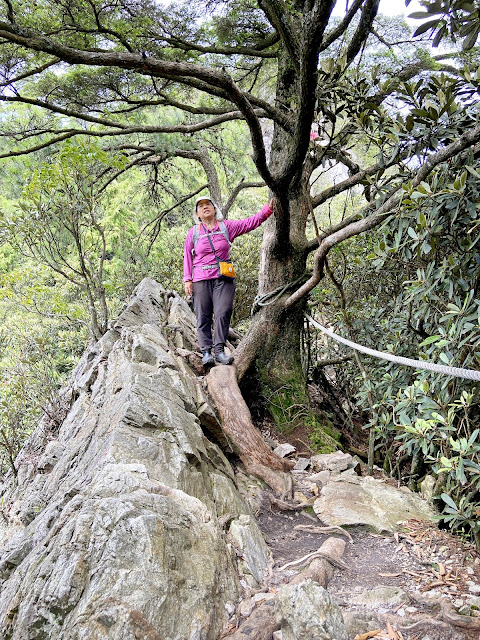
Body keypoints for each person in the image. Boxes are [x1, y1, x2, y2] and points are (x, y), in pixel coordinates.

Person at [183, 196, 274, 366]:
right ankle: (206, 353)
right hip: (201, 279)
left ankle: (219, 351)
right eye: (201, 206)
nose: (205, 207)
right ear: (197, 214)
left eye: (208, 204)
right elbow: (187, 255)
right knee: (203, 315)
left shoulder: (226, 227)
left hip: (223, 278)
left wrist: (267, 210)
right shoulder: (194, 232)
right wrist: (187, 280)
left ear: (215, 208)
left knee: (222, 312)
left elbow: (250, 223)